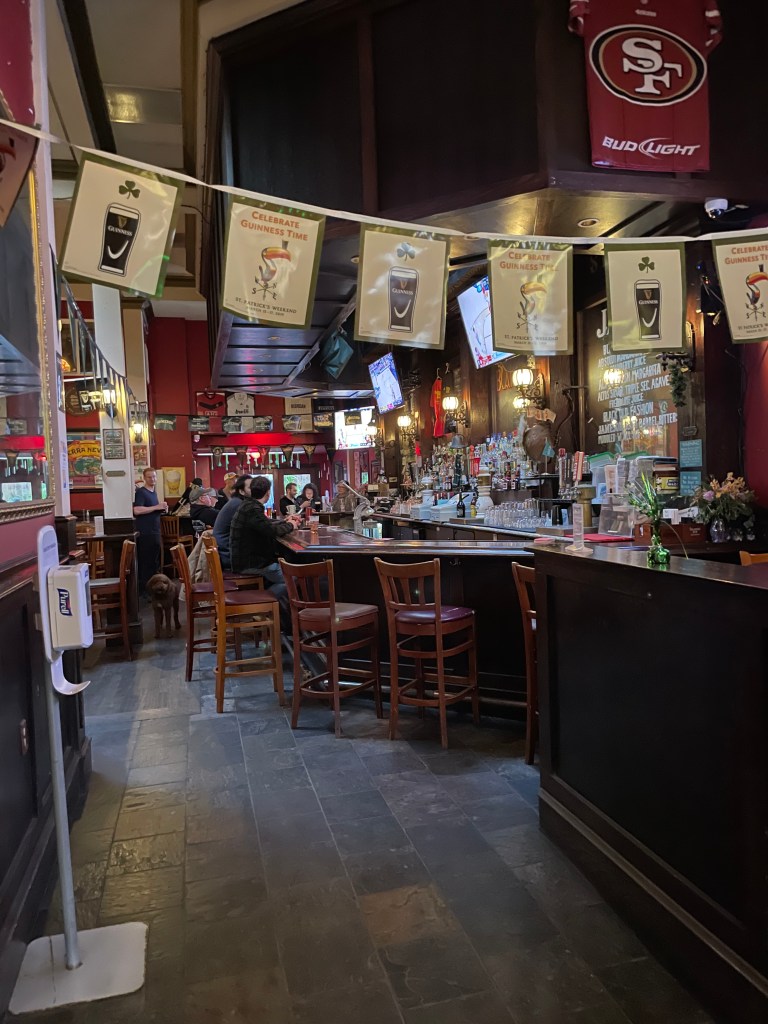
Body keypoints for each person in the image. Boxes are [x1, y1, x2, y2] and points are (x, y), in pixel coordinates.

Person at [230, 476, 301, 630]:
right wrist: (291, 526)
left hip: (245, 559)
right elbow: (270, 531)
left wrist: (286, 521)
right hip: (250, 563)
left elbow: (265, 523)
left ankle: (277, 615)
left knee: (285, 572)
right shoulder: (252, 509)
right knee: (292, 578)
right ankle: (260, 606)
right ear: (268, 493)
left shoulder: (248, 506)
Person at [133, 467, 168, 595]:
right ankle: (146, 591)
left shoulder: (153, 492)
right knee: (147, 562)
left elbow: (152, 509)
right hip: (146, 532)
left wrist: (161, 509)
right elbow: (136, 510)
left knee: (154, 562)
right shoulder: (141, 492)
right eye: (149, 477)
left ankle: (154, 590)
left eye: (154, 476)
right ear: (144, 478)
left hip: (155, 530)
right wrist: (156, 507)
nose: (152, 479)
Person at [213, 474, 252, 569]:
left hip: (224, 552)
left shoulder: (235, 501)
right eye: (251, 487)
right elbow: (256, 525)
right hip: (228, 556)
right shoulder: (238, 504)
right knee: (274, 565)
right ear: (242, 491)